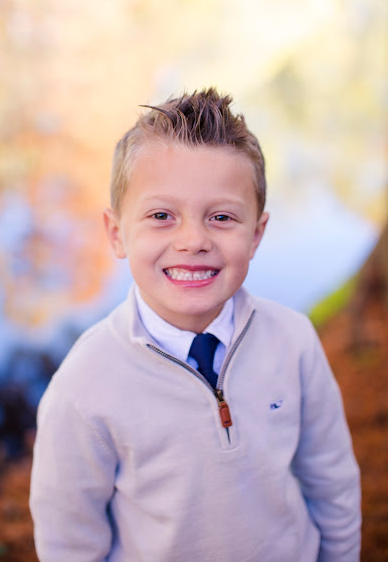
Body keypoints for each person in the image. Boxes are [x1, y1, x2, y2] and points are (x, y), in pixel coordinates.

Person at [29, 89, 361, 561]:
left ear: (256, 235)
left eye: (221, 217)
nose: (192, 240)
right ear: (117, 234)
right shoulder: (85, 386)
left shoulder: (294, 341)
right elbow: (70, 542)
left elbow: (332, 482)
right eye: (161, 216)